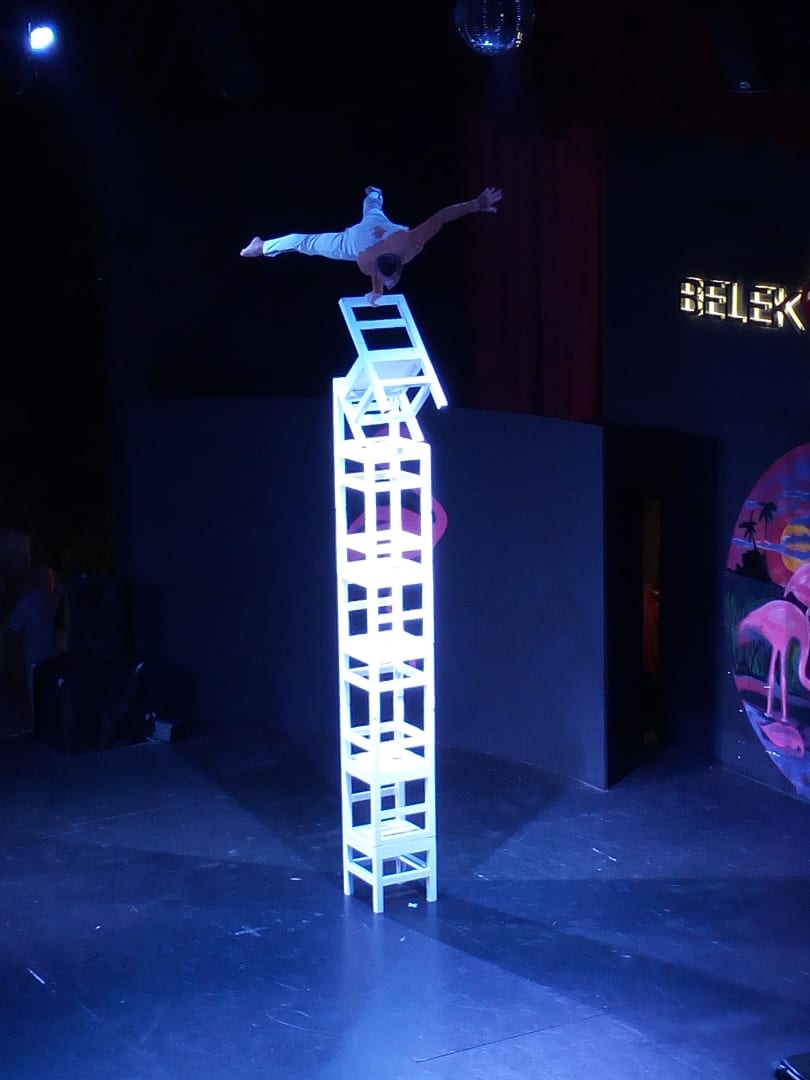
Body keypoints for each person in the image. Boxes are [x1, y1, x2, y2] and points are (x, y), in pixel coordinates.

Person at [240, 185, 503, 304]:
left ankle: (375, 193)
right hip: (354, 241)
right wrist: (377, 290)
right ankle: (262, 246)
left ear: (399, 269)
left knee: (374, 209)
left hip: (382, 228)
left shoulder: (412, 241)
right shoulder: (365, 262)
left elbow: (442, 217)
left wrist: (476, 204)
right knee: (306, 243)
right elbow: (375, 273)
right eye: (387, 282)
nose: (390, 285)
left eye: (390, 282)